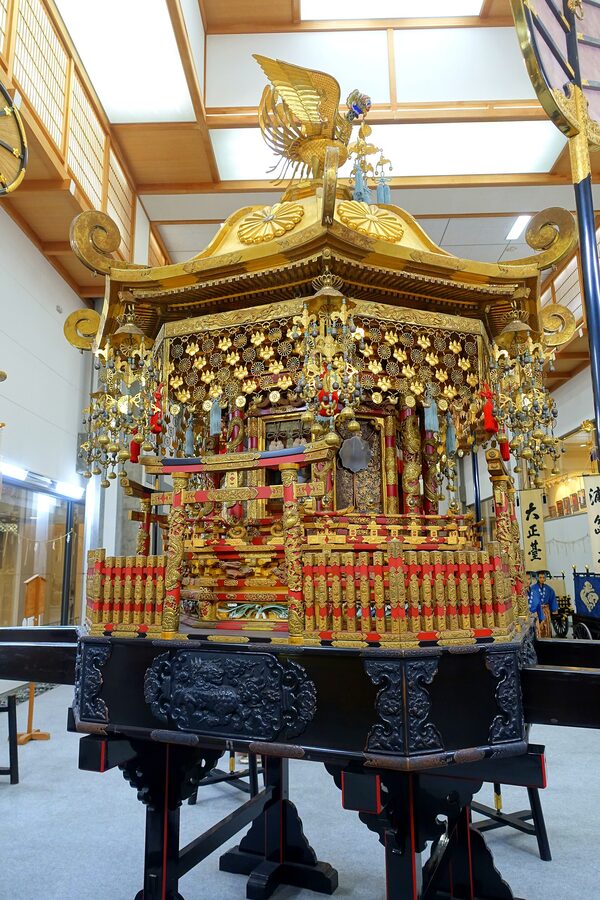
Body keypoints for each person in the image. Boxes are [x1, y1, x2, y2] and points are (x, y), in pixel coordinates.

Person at [528, 571, 558, 636]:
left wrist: (554, 609)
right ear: (537, 578)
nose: (542, 579)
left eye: (543, 577)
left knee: (546, 625)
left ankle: (547, 637)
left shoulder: (549, 589)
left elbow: (552, 598)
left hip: (546, 610)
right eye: (540, 577)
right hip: (536, 611)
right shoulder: (533, 588)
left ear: (545, 578)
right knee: (538, 626)